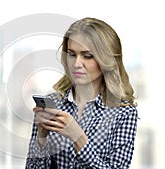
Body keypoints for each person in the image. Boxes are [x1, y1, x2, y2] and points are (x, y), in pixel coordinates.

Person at [25, 17, 138, 169]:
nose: (77, 64)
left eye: (87, 56)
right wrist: (41, 136)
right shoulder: (53, 103)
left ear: (106, 60)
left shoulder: (124, 112)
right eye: (72, 54)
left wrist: (78, 137)